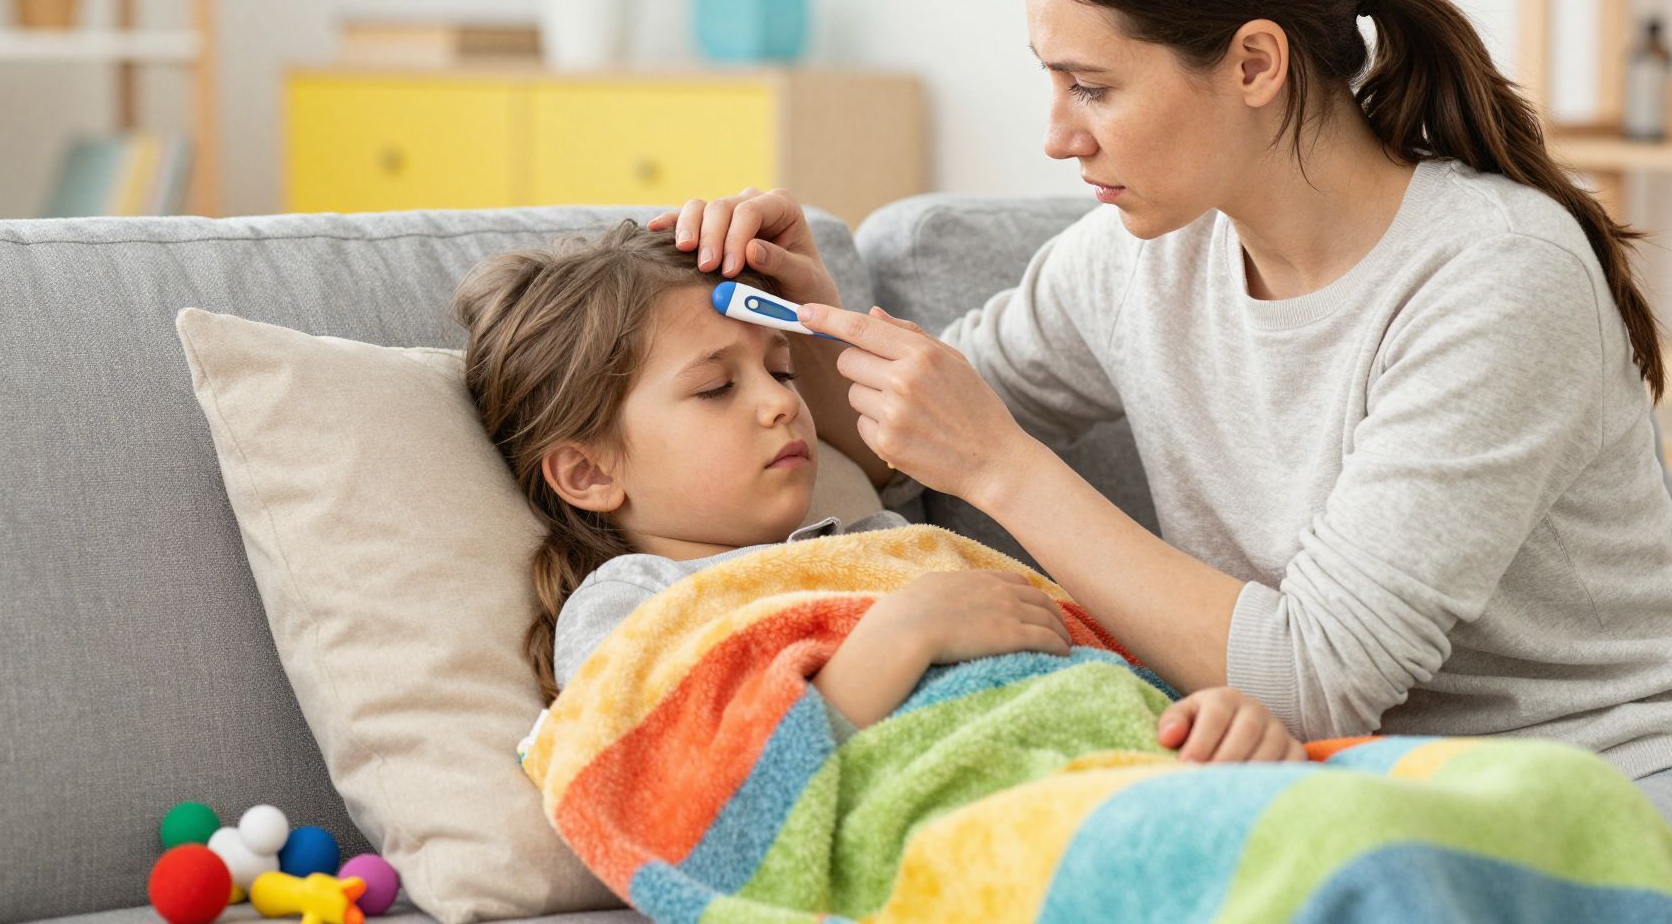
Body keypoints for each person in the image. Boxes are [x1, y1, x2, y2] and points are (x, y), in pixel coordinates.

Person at [651, 0, 1672, 924]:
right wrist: (809, 321)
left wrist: (1005, 467)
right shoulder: (1136, 262)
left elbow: (1318, 676)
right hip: (1380, 795)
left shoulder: (1494, 274)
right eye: (1052, 83)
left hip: (1656, 787)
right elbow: (889, 443)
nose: (1057, 134)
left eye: (1093, 87)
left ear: (1251, 64)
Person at [453, 218, 1304, 763]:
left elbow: (1074, 675)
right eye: (717, 388)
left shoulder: (871, 542)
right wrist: (904, 632)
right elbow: (678, 782)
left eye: (780, 370)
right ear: (590, 472)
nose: (780, 401)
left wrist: (1206, 727)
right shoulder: (633, 603)